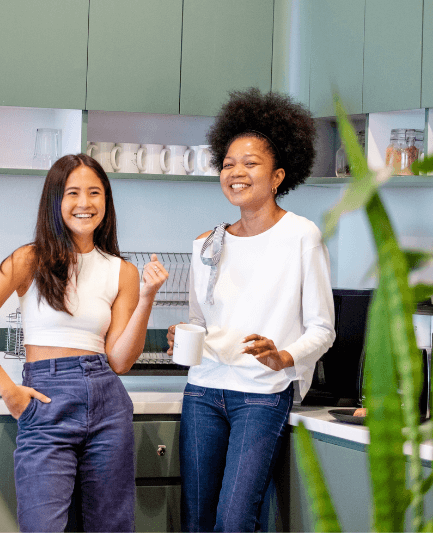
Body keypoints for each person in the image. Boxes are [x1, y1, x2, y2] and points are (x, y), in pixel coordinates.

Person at [0, 153, 167, 532]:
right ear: (56, 200)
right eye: (73, 193)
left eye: (94, 193)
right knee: (43, 524)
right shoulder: (28, 259)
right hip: (46, 397)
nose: (85, 203)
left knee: (110, 526)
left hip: (107, 400)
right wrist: (7, 388)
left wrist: (147, 297)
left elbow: (119, 360)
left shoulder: (124, 272)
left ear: (107, 200)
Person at [167, 88, 336, 532]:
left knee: (235, 519)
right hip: (203, 389)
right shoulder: (208, 243)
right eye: (227, 164)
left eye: (250, 163)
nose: (235, 172)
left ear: (278, 175)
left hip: (262, 396)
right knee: (198, 519)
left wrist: (283, 357)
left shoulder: (302, 236)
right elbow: (201, 322)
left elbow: (323, 328)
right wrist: (182, 334)